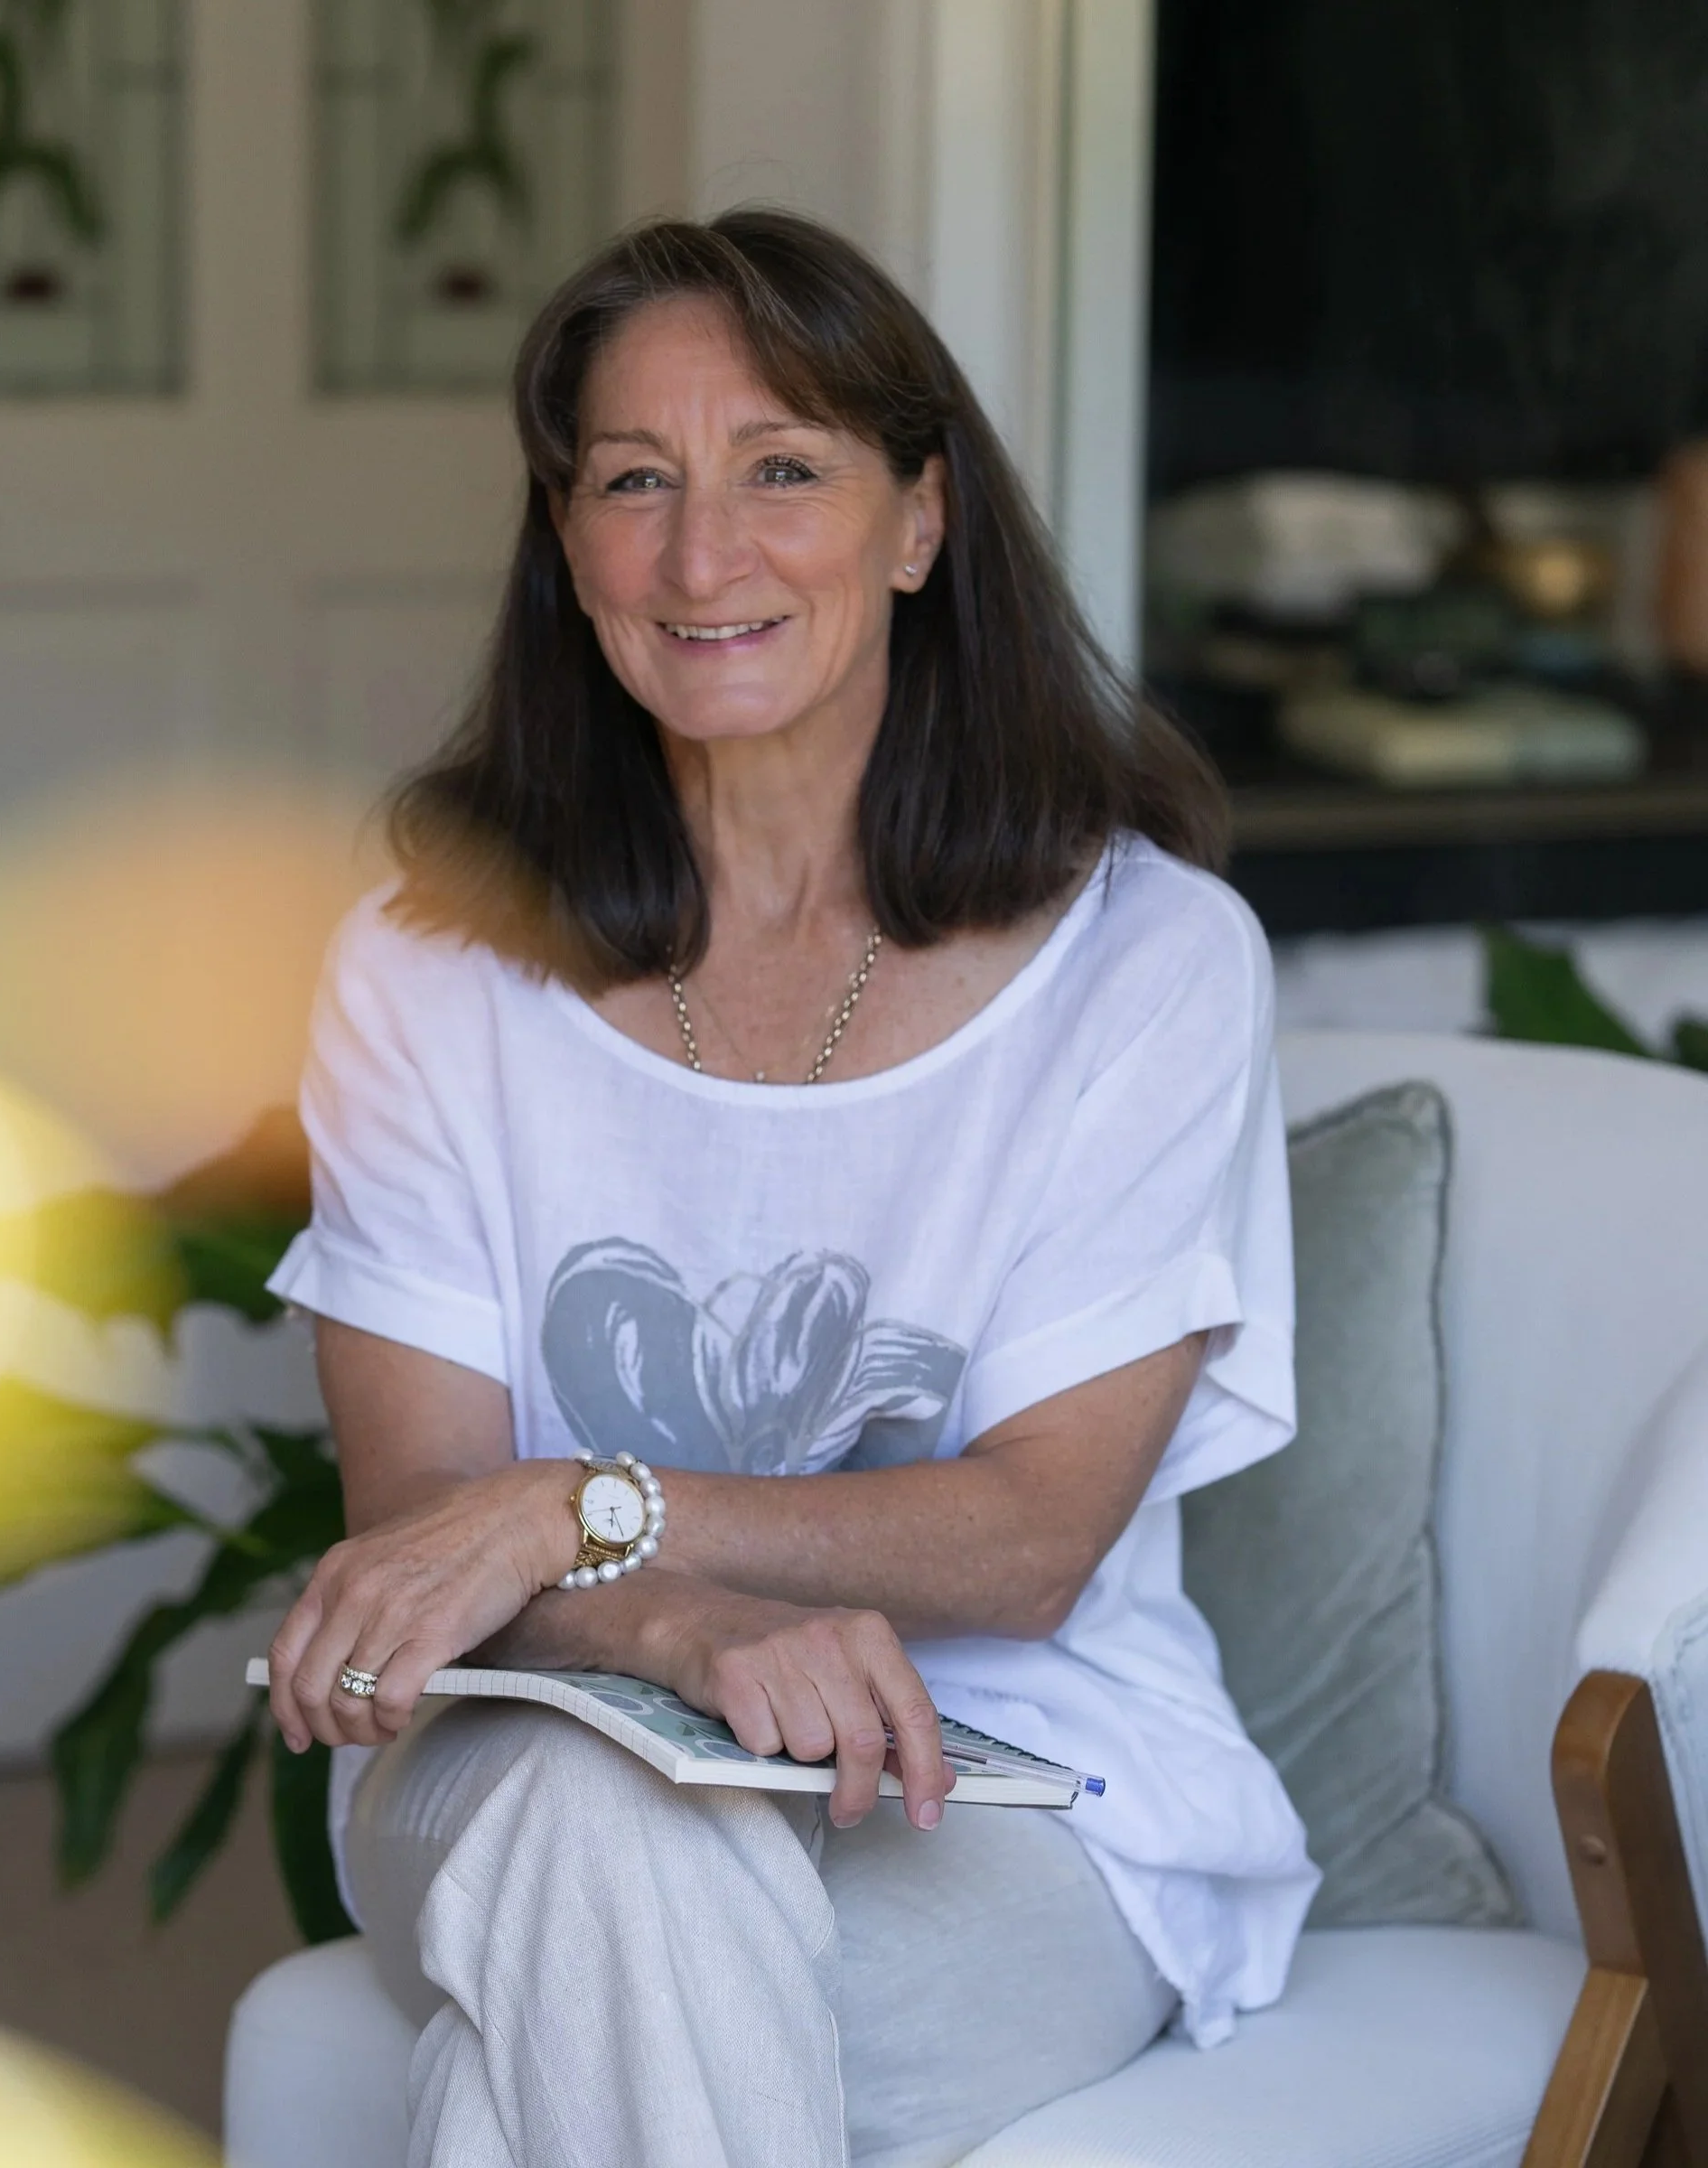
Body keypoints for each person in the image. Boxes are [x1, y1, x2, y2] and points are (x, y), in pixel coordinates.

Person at [265, 209, 1315, 2168]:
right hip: (532, 1732)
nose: (701, 557)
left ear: (919, 520)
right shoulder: (428, 967)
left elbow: (1030, 1543)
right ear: (566, 541)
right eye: (633, 482)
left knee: (546, 2046)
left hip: (1007, 1778)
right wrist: (667, 1626)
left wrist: (577, 1506)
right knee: (605, 1841)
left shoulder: (1147, 963)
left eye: (782, 471)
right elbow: (418, 1524)